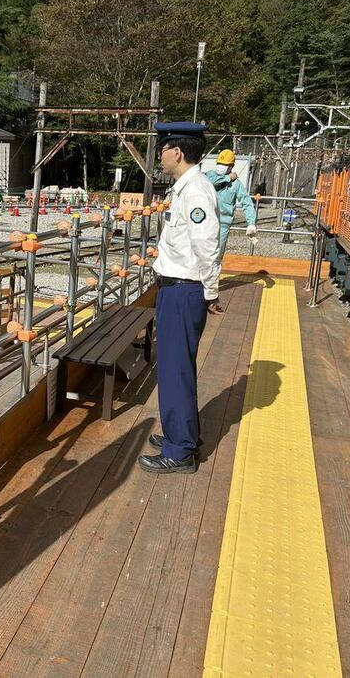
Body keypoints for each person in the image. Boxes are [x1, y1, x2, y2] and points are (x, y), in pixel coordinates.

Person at [139, 121, 220, 475]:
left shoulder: (196, 191)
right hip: (177, 287)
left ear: (178, 152)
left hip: (184, 289)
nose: (161, 153)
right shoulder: (185, 187)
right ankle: (181, 433)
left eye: (164, 147)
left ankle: (180, 450)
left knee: (174, 371)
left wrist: (211, 291)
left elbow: (207, 245)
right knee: (176, 368)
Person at [204, 149, 257, 315]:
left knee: (215, 260)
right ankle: (200, 292)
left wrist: (251, 223)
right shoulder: (208, 176)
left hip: (223, 226)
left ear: (232, 165)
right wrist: (227, 177)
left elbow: (247, 202)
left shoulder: (236, 185)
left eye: (225, 165)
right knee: (201, 257)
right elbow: (210, 183)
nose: (221, 167)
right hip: (204, 223)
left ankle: (211, 298)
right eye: (219, 164)